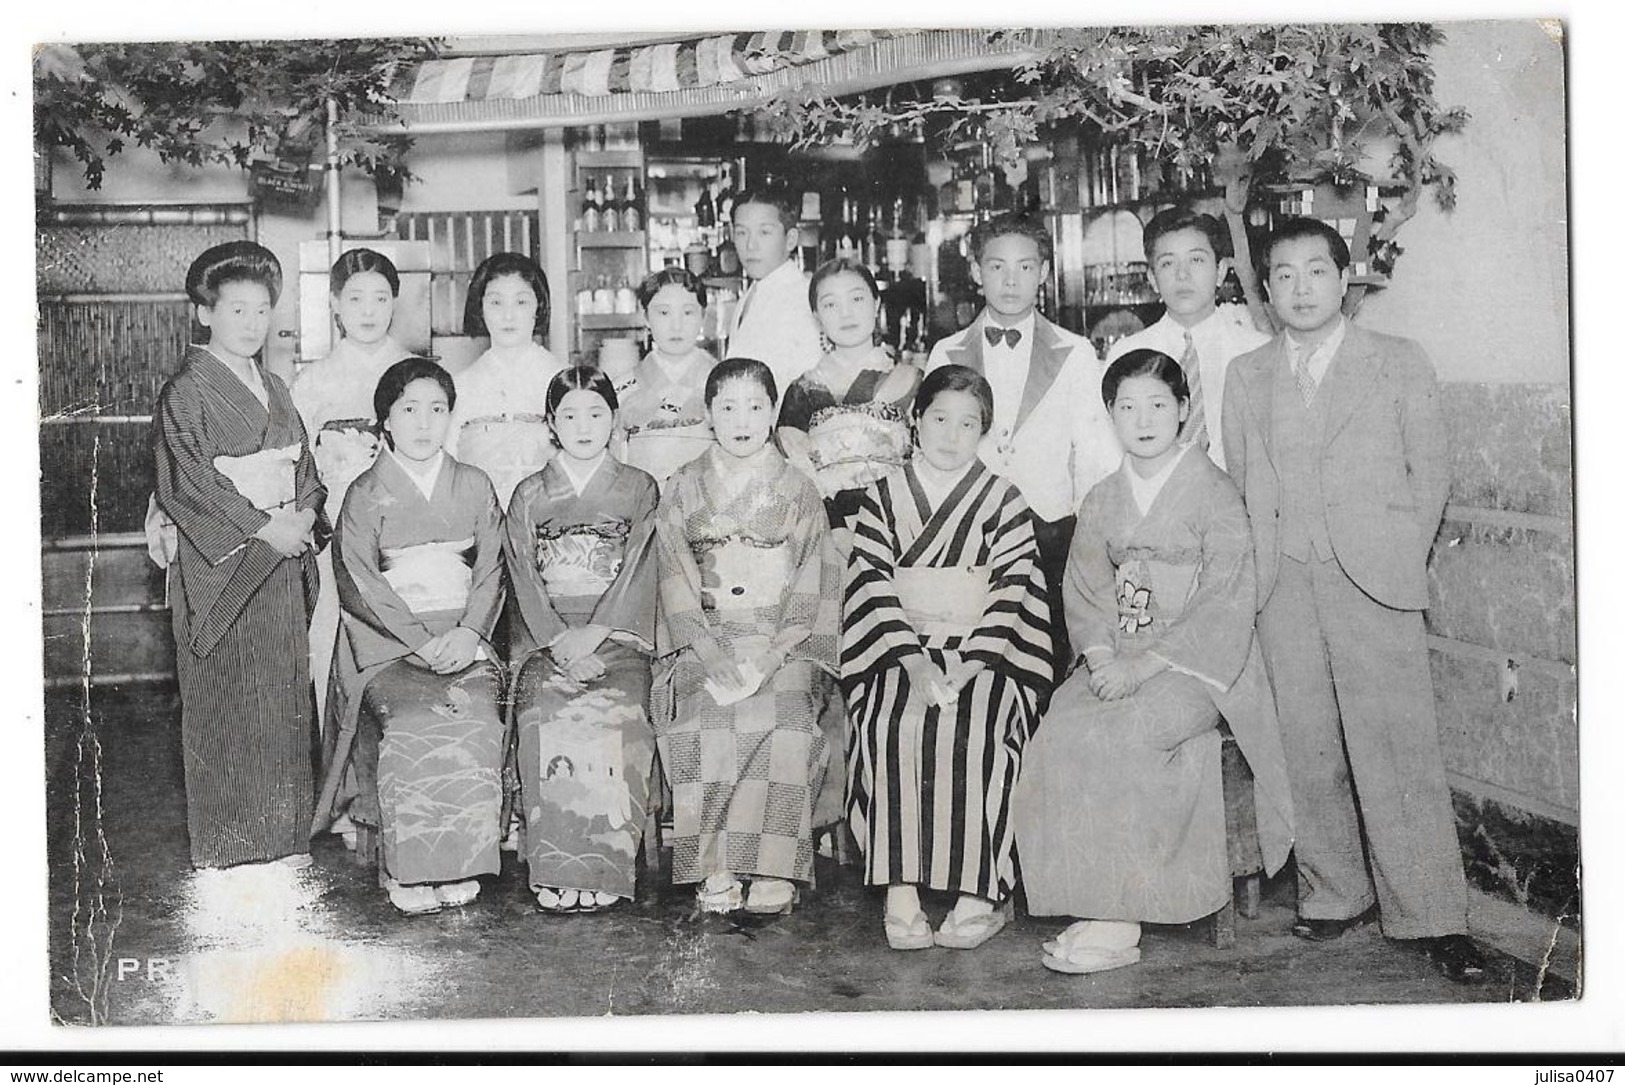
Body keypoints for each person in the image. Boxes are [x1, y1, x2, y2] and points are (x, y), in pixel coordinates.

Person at [1221, 217, 1486, 982]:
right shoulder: (1246, 373)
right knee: (1307, 744)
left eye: (1315, 271)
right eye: (1283, 275)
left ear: (1345, 280)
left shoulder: (1396, 362)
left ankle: (1433, 914)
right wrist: (1261, 579)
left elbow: (1426, 474)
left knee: (1397, 748)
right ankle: (1333, 893)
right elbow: (1245, 482)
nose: (1300, 288)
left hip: (1373, 579)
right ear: (1265, 291)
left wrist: (1397, 559)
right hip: (1284, 583)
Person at [1011, 350, 1294, 974]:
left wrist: (1146, 667)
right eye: (1127, 406)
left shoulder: (1215, 492)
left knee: (1129, 734)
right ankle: (1093, 898)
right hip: (1118, 653)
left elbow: (1226, 598)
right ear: (1110, 415)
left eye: (1158, 404)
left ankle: (1121, 920)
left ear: (1185, 410)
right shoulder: (1104, 496)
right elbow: (1084, 589)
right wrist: (1105, 654)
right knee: (1062, 731)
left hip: (1200, 665)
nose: (1143, 419)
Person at [842, 364, 1052, 952]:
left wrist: (966, 664)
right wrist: (914, 663)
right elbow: (873, 586)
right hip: (899, 649)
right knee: (892, 725)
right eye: (939, 418)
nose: (951, 435)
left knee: (978, 729)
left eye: (968, 423)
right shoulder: (884, 497)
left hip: (987, 655)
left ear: (984, 431)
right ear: (916, 420)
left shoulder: (1004, 499)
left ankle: (981, 893)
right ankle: (899, 887)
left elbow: (1014, 590)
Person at [154, 240, 324, 870]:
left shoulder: (277, 388)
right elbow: (187, 482)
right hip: (220, 568)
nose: (251, 325)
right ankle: (228, 852)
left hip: (280, 565)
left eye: (261, 312)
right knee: (225, 705)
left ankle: (283, 846)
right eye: (236, 311)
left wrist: (304, 511)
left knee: (280, 706)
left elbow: (305, 466)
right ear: (204, 314)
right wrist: (263, 528)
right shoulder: (186, 392)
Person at [317, 358, 507, 915]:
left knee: (473, 714)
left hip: (462, 637)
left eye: (437, 409)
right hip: (388, 643)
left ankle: (459, 863)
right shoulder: (364, 493)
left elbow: (494, 567)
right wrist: (419, 641)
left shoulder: (474, 484)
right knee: (415, 720)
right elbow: (357, 578)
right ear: (386, 421)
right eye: (409, 410)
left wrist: (469, 630)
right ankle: (409, 871)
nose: (424, 423)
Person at [650, 357, 840, 916]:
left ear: (774, 411)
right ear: (708, 414)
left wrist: (779, 650)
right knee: (703, 720)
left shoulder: (800, 489)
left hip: (783, 638)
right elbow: (671, 573)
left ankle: (774, 866)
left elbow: (814, 577)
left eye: (756, 406)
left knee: (782, 721)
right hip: (704, 638)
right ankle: (717, 865)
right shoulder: (684, 485)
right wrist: (706, 649)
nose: (742, 418)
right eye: (727, 406)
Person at [925, 213, 1120, 672]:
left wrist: (1087, 546)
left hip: (1051, 538)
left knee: (1047, 666)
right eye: (996, 267)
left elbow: (1094, 457)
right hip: (970, 538)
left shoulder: (1075, 353)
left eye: (1025, 267)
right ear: (976, 272)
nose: (1011, 281)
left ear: (1045, 274)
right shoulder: (946, 353)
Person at [505, 367, 660, 914]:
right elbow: (522, 574)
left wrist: (597, 632)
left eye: (596, 413)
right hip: (549, 640)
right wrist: (558, 640)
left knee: (618, 710)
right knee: (546, 710)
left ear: (614, 419)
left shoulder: (639, 488)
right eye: (568, 415)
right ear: (551, 424)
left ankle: (603, 867)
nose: (583, 425)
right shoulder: (528, 494)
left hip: (618, 633)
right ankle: (558, 865)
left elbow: (642, 565)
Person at [291, 250, 415, 849]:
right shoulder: (310, 383)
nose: (369, 311)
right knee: (329, 663)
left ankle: (402, 795)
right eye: (355, 298)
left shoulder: (416, 372)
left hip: (402, 547)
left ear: (396, 303)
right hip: (331, 544)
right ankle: (339, 800)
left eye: (381, 298)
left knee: (397, 662)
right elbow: (297, 471)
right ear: (335, 304)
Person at [1105, 209, 1269, 472]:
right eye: (1168, 263)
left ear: (1220, 271)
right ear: (1152, 280)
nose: (1182, 274)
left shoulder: (1257, 351)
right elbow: (1111, 454)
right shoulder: (1127, 354)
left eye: (1196, 260)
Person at [778, 257, 920, 544]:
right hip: (823, 535)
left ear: (876, 303)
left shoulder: (912, 380)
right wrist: (836, 527)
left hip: (902, 530)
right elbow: (793, 477)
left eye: (857, 299)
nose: (846, 313)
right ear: (816, 315)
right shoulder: (803, 391)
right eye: (831, 304)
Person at [447, 252, 566, 506]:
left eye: (521, 302)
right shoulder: (461, 386)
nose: (508, 316)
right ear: (480, 307)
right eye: (496, 303)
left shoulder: (563, 381)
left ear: (539, 307)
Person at [616, 267, 717, 486]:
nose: (676, 325)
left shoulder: (721, 383)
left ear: (703, 316)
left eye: (688, 312)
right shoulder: (622, 389)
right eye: (663, 313)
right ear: (646, 318)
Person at [724, 185, 823, 394]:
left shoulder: (804, 299)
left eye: (764, 232)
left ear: (791, 240)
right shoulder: (752, 293)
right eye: (741, 232)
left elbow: (810, 392)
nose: (751, 245)